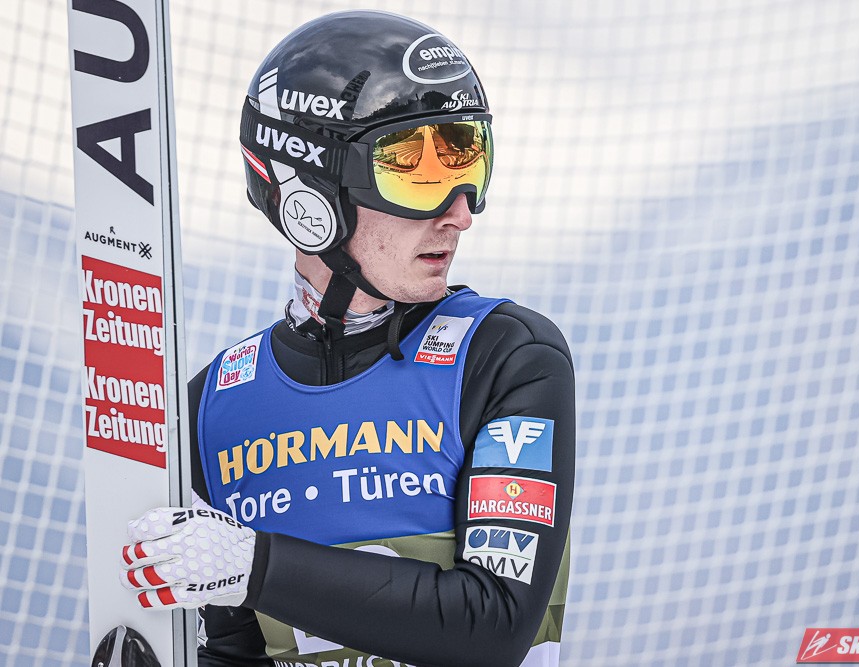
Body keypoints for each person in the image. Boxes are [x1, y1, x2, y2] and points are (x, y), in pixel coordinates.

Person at [118, 10, 575, 667]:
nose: (461, 211)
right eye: (414, 171)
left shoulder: (505, 356)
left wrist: (252, 564)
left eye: (466, 159)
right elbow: (237, 652)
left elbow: (493, 624)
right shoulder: (213, 407)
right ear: (311, 195)